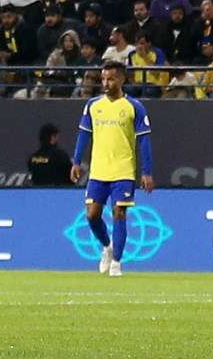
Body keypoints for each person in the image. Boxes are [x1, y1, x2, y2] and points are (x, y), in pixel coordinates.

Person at [70, 60, 155, 277]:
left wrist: (146, 171)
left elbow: (144, 141)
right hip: (98, 170)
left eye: (110, 79)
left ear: (121, 79)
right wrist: (76, 161)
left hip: (123, 170)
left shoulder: (134, 107)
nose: (106, 83)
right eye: (103, 79)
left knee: (119, 213)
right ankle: (107, 247)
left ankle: (117, 262)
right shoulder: (93, 105)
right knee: (92, 215)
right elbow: (84, 134)